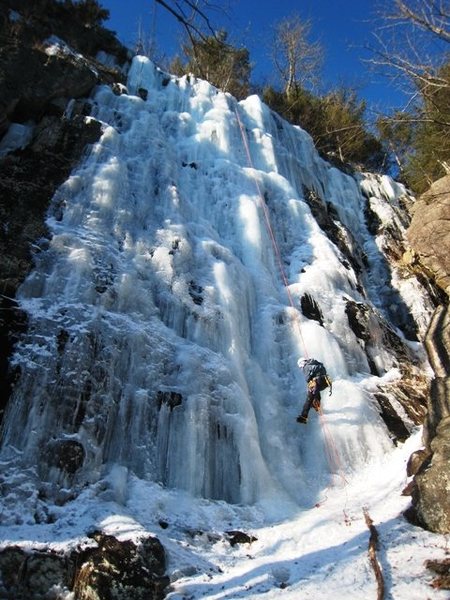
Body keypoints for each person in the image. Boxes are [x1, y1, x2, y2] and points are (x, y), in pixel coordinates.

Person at [296, 358, 332, 424]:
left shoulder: (306, 366)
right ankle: (317, 404)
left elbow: (307, 378)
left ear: (302, 363)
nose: (301, 368)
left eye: (300, 367)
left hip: (317, 381)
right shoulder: (316, 364)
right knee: (316, 391)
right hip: (325, 382)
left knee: (309, 399)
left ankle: (303, 417)